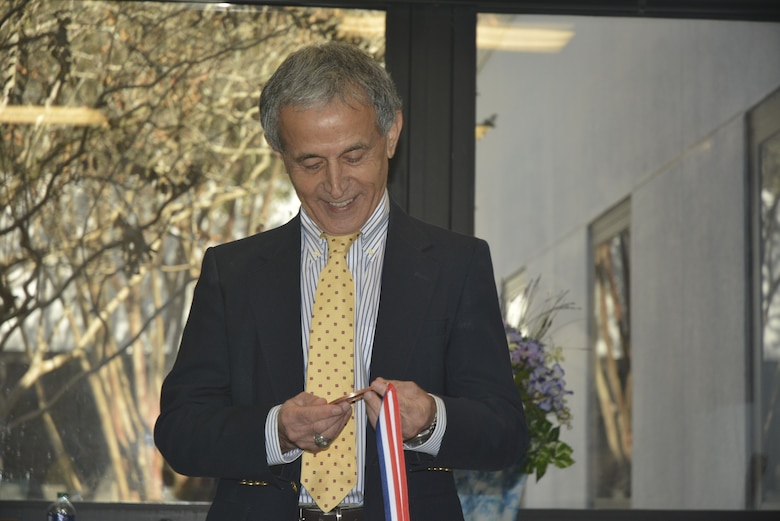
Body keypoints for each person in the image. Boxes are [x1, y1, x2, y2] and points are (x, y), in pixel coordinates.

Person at [154, 41, 527, 521]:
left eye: (354, 156)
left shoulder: (457, 265)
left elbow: (506, 433)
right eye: (310, 163)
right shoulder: (233, 273)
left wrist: (431, 420)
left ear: (391, 133)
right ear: (280, 152)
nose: (335, 185)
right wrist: (276, 431)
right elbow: (180, 432)